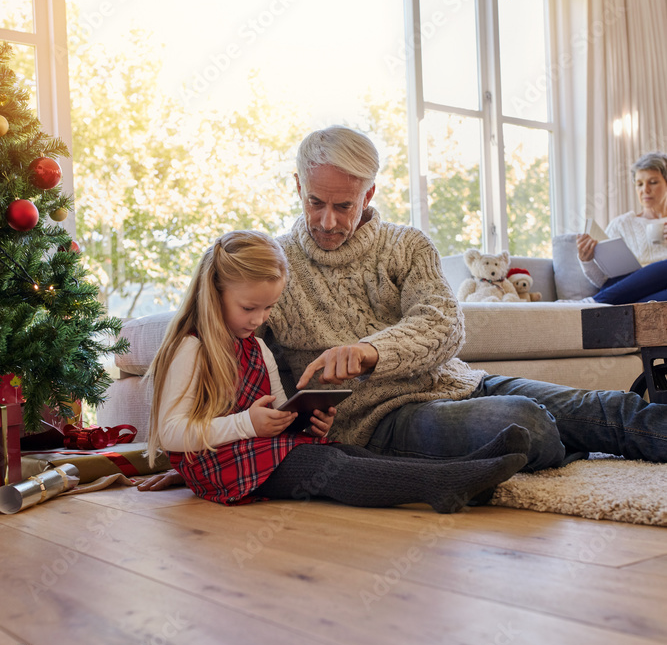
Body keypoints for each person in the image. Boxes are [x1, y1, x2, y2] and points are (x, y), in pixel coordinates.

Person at [140, 127, 667, 493]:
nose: (326, 220)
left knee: (607, 407)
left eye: (343, 205)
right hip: (381, 422)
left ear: (369, 192)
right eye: (315, 202)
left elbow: (444, 324)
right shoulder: (275, 268)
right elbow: (224, 355)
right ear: (298, 188)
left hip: (461, 383)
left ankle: (561, 444)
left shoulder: (407, 245)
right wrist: (195, 460)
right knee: (529, 422)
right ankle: (551, 444)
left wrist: (370, 351)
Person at [144, 229, 529, 512]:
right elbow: (172, 433)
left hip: (259, 445)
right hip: (219, 463)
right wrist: (248, 425)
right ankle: (440, 485)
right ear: (214, 293)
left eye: (269, 308)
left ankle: (465, 473)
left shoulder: (256, 346)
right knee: (328, 466)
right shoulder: (191, 347)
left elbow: (279, 407)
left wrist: (301, 418)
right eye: (250, 309)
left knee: (344, 450)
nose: (260, 319)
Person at [576, 152, 667, 304]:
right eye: (639, 184)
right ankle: (597, 302)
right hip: (622, 287)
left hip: (643, 300)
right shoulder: (621, 224)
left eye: (653, 182)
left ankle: (597, 304)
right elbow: (603, 282)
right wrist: (587, 261)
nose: (645, 189)